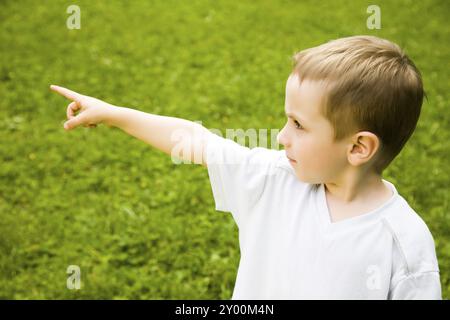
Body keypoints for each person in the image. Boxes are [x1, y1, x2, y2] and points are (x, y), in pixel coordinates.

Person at [50, 35, 441, 299]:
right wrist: (115, 114)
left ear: (358, 147)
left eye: (299, 125)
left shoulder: (403, 243)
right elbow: (196, 140)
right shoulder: (274, 180)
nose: (280, 137)